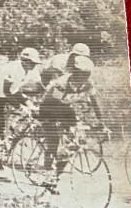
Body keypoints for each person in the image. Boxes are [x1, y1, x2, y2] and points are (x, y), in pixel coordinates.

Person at [37, 56, 107, 186]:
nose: (85, 77)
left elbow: (95, 103)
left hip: (65, 108)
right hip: (48, 108)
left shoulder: (88, 83)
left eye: (87, 74)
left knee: (74, 143)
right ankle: (47, 174)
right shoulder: (62, 83)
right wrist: (60, 123)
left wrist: (101, 123)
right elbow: (53, 103)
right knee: (53, 142)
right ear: (74, 72)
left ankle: (55, 175)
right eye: (82, 73)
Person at [0, 47, 43, 147]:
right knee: (0, 123)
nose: (34, 66)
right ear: (24, 61)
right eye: (32, 63)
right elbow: (6, 92)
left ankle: (9, 137)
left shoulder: (32, 70)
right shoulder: (12, 68)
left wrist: (33, 103)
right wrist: (20, 107)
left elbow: (40, 86)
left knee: (29, 109)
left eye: (35, 63)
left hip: (13, 91)